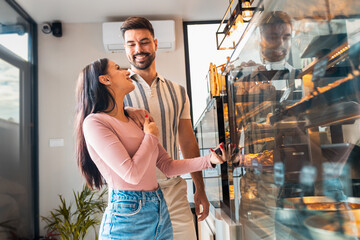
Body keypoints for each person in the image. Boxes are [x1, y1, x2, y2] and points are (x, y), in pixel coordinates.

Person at [74, 58, 227, 239]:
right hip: (127, 216)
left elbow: (167, 166)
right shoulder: (94, 123)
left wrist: (209, 160)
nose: (127, 72)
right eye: (117, 68)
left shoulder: (136, 118)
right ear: (105, 80)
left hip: (159, 209)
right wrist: (151, 136)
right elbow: (132, 174)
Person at [120, 17, 210, 239]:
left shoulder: (178, 91)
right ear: (125, 48)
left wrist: (200, 187)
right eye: (131, 44)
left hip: (174, 192)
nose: (138, 49)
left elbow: (188, 142)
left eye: (144, 42)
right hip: (134, 198)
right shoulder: (117, 92)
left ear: (156, 43)